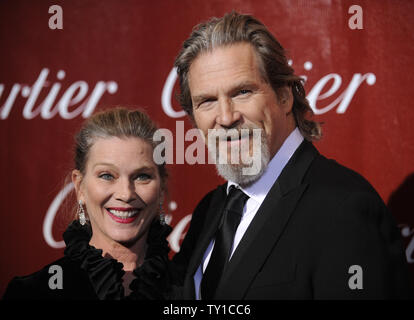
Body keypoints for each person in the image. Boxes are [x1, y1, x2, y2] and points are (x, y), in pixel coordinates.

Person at [170, 11, 413, 299]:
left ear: (284, 96)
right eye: (207, 101)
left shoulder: (344, 208)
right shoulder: (210, 210)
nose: (225, 117)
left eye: (242, 92)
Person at [3, 107, 172, 300]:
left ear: (161, 189)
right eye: (107, 175)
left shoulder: (193, 288)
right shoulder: (32, 293)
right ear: (80, 186)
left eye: (142, 176)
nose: (126, 194)